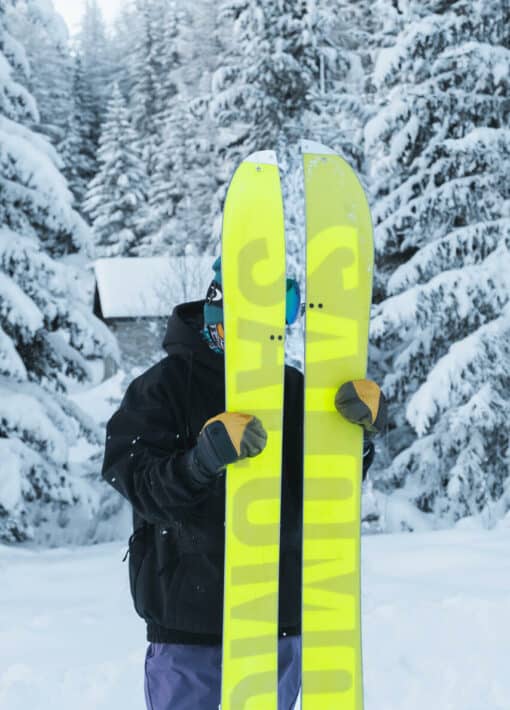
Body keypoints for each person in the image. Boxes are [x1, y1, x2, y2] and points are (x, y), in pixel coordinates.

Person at [102, 257, 386, 710]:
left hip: (278, 620)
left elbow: (325, 493)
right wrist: (200, 463)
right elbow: (137, 482)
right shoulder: (161, 388)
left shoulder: (294, 391)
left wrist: (357, 439)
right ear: (216, 309)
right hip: (190, 628)